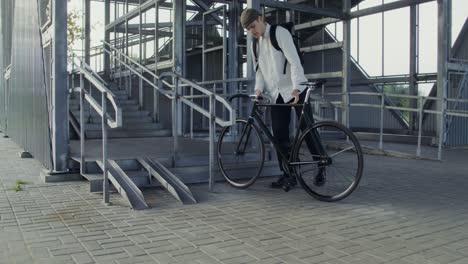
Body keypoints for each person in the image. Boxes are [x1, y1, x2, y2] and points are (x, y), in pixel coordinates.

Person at [241, 8, 321, 189]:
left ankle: (321, 166)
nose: (253, 31)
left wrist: (295, 87)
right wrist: (259, 90)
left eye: (253, 26)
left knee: (307, 129)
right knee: (279, 135)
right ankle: (288, 174)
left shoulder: (280, 33)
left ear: (260, 19)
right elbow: (259, 71)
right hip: (276, 94)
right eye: (249, 30)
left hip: (294, 89)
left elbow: (294, 62)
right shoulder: (256, 44)